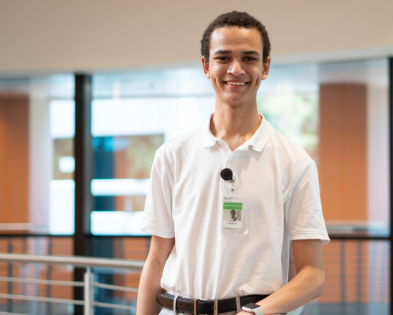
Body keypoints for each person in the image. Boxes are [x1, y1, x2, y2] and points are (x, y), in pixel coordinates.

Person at [137, 11, 329, 315]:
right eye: (223, 57)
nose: (236, 69)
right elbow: (156, 261)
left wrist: (255, 314)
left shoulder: (294, 162)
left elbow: (312, 276)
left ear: (265, 67)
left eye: (249, 59)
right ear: (206, 65)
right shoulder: (171, 156)